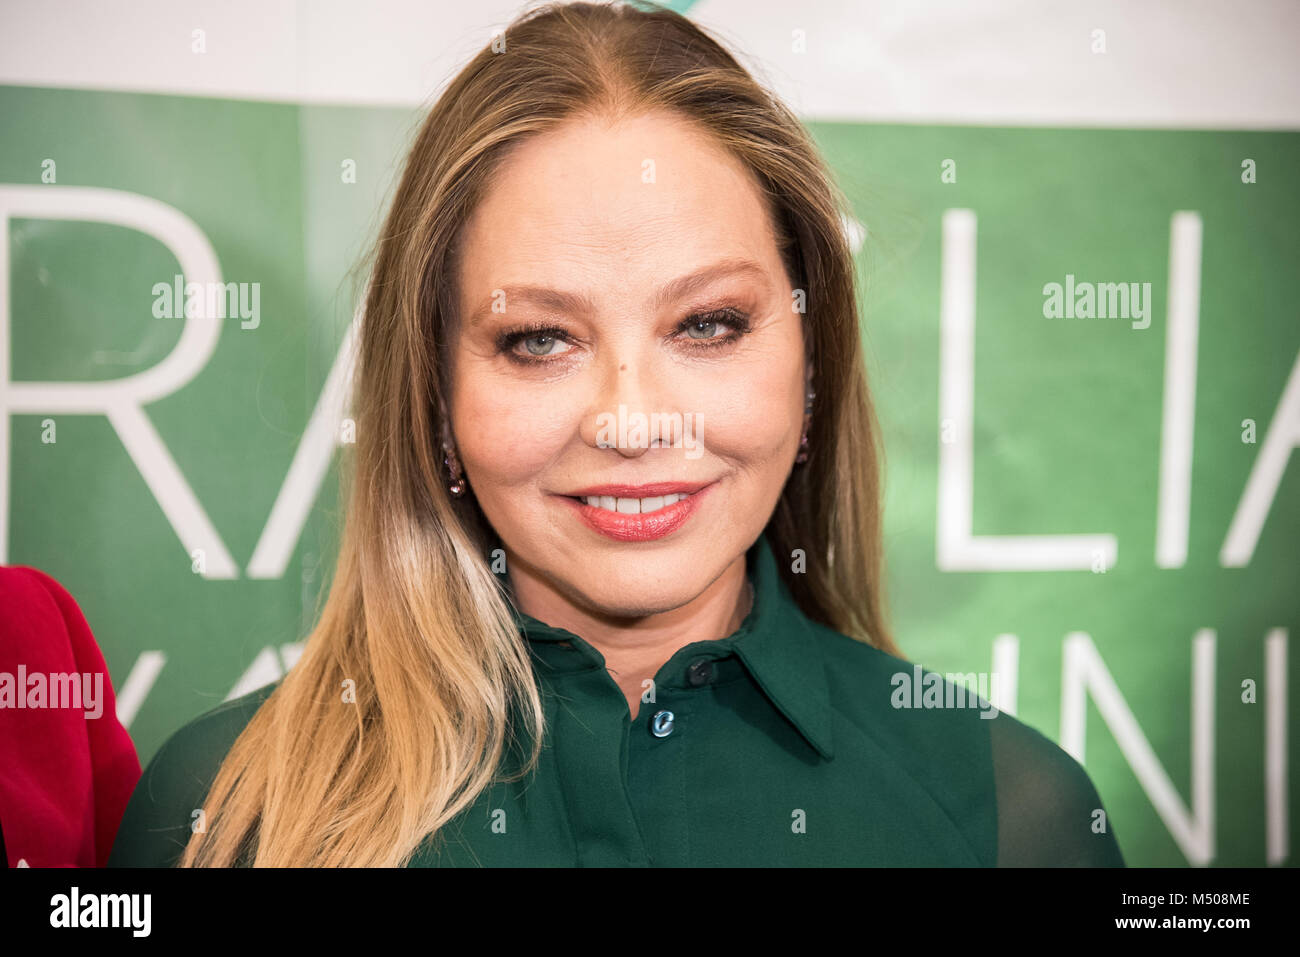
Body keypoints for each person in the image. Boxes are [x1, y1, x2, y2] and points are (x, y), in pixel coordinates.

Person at [109, 0, 1124, 868]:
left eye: (708, 325)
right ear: (434, 393)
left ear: (810, 370)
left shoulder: (1015, 816)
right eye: (538, 339)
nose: (633, 420)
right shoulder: (224, 811)